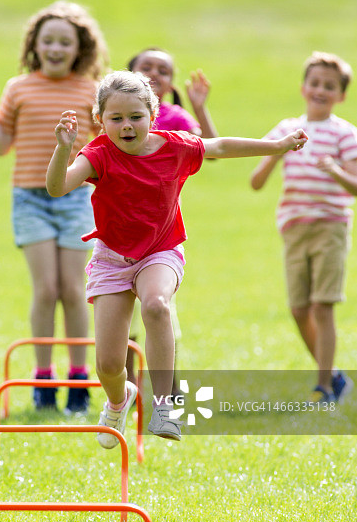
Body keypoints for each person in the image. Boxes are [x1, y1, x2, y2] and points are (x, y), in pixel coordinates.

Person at [46, 70, 308, 445]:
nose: (127, 126)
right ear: (100, 121)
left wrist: (278, 145)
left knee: (156, 305)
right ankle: (119, 402)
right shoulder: (98, 154)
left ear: (152, 115)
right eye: (116, 118)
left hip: (161, 250)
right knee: (107, 363)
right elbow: (57, 188)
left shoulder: (176, 146)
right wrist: (63, 147)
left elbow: (220, 146)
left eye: (136, 116)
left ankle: (165, 405)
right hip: (112, 257)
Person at [0, 0, 109, 413]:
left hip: (76, 196)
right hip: (30, 199)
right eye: (48, 40)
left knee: (73, 289)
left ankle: (80, 378)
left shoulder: (90, 90)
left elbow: (105, 146)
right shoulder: (19, 87)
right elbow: (0, 146)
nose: (55, 48)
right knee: (45, 289)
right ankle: (43, 378)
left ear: (79, 48)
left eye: (65, 42)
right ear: (35, 44)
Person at [250, 52, 357, 404]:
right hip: (294, 227)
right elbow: (256, 182)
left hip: (330, 225)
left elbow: (356, 186)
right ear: (303, 88)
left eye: (330, 86)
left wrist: (335, 171)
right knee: (299, 309)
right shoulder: (286, 130)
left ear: (341, 95)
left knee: (322, 306)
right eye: (315, 83)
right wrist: (276, 154)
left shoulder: (345, 133)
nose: (320, 90)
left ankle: (324, 388)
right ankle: (334, 377)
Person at [126, 48, 219, 392]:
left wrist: (199, 108)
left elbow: (211, 149)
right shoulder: (117, 114)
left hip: (160, 234)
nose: (154, 73)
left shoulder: (176, 118)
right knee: (123, 320)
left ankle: (166, 391)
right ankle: (125, 390)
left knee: (161, 309)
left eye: (163, 70)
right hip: (118, 232)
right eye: (145, 67)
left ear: (170, 82)